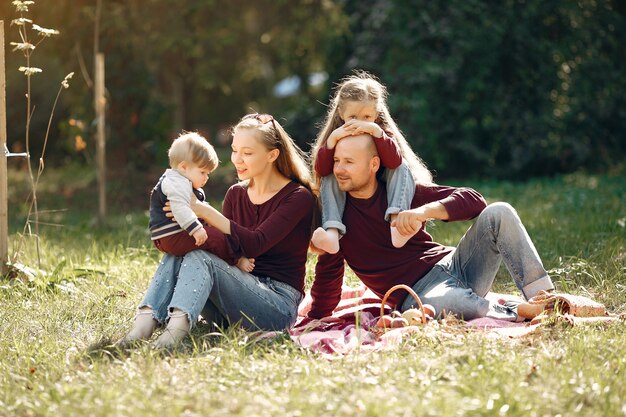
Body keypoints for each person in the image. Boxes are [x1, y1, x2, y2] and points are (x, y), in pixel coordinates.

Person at [308, 134, 555, 322]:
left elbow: (474, 201)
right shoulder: (335, 221)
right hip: (418, 293)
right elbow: (329, 277)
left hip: (456, 264)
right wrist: (315, 318)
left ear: (374, 164)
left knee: (499, 212)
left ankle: (545, 298)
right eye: (337, 161)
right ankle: (516, 311)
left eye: (348, 162)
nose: (338, 169)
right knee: (454, 303)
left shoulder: (401, 194)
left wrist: (422, 212)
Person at [119, 114, 315, 348]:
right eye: (234, 150)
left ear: (272, 155)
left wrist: (203, 211)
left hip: (275, 308)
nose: (237, 159)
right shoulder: (236, 194)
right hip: (229, 304)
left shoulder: (298, 197)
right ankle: (143, 326)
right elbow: (227, 248)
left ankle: (174, 334)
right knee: (184, 249)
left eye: (248, 153)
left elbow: (255, 243)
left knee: (201, 255)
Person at [310, 72, 432, 254]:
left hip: (382, 184)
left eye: (367, 117)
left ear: (376, 114)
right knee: (329, 176)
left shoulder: (380, 132)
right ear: (342, 114)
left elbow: (394, 161)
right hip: (351, 185)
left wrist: (377, 133)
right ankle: (332, 232)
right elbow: (322, 169)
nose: (360, 123)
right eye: (353, 117)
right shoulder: (337, 135)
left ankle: (396, 222)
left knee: (401, 166)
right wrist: (332, 140)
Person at [148, 131, 253, 271]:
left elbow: (195, 207)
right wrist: (196, 229)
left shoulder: (182, 180)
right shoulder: (176, 183)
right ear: (183, 167)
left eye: (208, 173)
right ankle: (236, 260)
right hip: (172, 234)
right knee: (216, 238)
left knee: (213, 233)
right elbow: (180, 209)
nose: (206, 178)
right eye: (202, 172)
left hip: (173, 234)